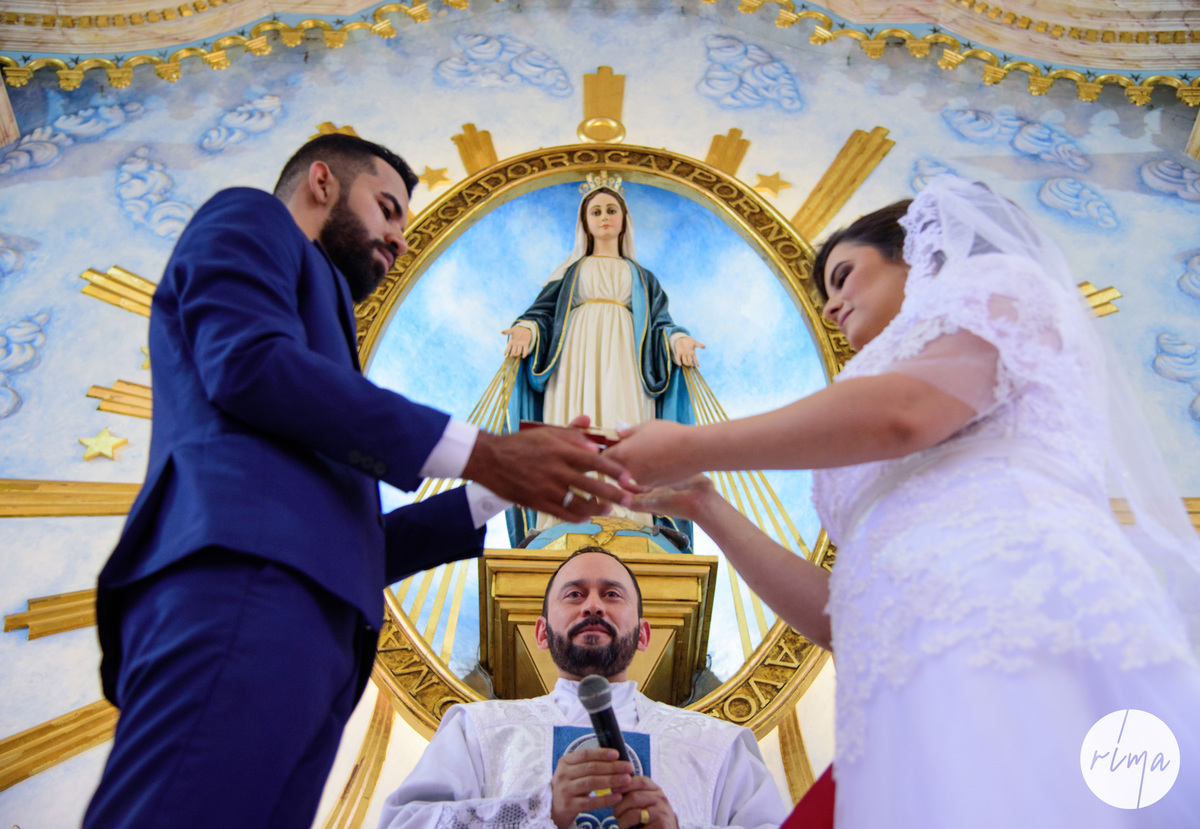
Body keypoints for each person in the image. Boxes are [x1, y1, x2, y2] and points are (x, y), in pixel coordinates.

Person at [612, 175, 1200, 828]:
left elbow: (906, 412)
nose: (833, 306)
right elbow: (842, 617)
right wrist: (704, 505)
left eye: (844, 275)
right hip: (902, 670)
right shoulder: (890, 384)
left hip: (1001, 607)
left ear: (916, 251)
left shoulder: (1001, 288)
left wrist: (693, 444)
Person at [84, 133, 635, 829]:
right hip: (243, 576)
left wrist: (498, 489)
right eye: (388, 208)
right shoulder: (250, 219)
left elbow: (353, 541)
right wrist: (482, 451)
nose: (399, 237)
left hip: (316, 629)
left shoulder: (325, 337)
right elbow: (247, 364)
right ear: (321, 181)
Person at [377, 546, 787, 829]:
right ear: (541, 632)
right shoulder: (478, 730)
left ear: (643, 634)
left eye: (611, 594)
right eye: (574, 595)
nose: (593, 605)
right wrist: (539, 811)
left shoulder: (718, 746)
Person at [501, 177, 703, 544]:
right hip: (573, 357)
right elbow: (543, 313)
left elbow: (661, 322)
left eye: (611, 210)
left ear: (624, 219)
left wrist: (678, 339)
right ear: (585, 222)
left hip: (627, 359)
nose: (604, 217)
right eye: (596, 211)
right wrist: (526, 330)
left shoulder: (642, 277)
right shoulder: (570, 272)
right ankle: (562, 510)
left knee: (621, 420)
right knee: (574, 422)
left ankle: (628, 510)